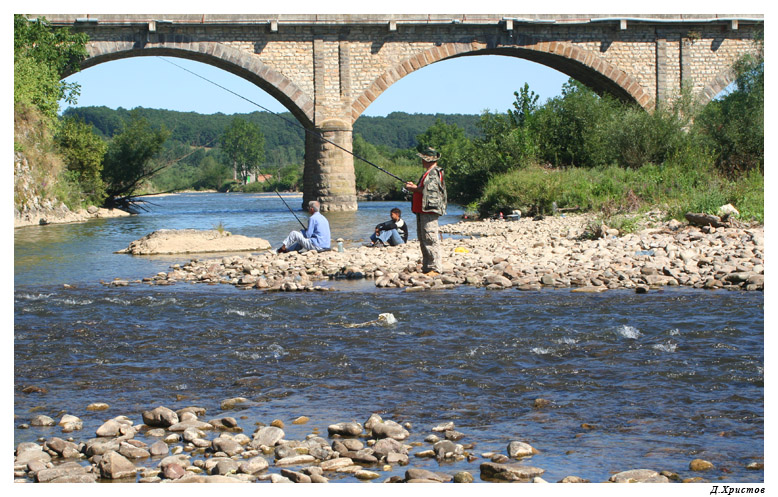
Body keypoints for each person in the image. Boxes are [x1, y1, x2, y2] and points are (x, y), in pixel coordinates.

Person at [404, 146, 447, 275]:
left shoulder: (433, 173)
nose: (422, 161)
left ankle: (435, 268)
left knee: (430, 238)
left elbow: (428, 191)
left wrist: (414, 189)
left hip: (429, 211)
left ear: (427, 160)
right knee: (423, 239)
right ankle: (427, 266)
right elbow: (424, 188)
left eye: (423, 158)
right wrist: (415, 187)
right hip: (422, 210)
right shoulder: (429, 173)